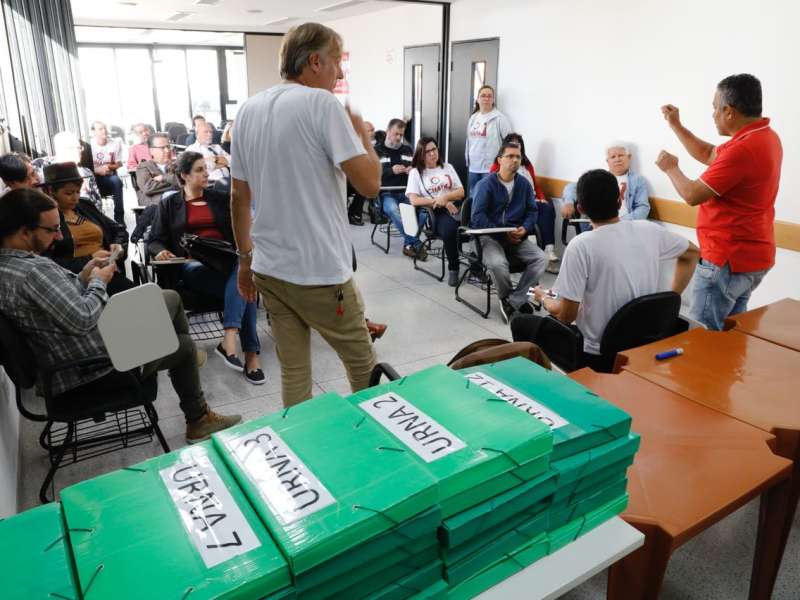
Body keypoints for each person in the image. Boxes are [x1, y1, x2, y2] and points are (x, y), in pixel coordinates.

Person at [0, 188, 241, 443]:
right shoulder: (33, 272)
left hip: (75, 356)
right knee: (183, 346)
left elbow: (54, 303)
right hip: (94, 366)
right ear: (24, 232)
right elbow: (82, 319)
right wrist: (98, 282)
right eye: (52, 230)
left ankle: (185, 381)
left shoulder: (11, 266)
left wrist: (84, 275)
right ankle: (197, 416)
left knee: (168, 298)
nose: (60, 236)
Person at [230, 22, 381, 407]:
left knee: (295, 373)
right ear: (315, 61)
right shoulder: (322, 104)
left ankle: (302, 447)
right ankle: (382, 446)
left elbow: (238, 197)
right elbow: (370, 185)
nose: (340, 73)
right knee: (364, 367)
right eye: (336, 62)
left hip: (270, 267)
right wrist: (363, 135)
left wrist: (244, 261)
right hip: (319, 271)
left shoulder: (248, 109)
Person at [515, 169, 699, 369]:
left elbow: (566, 316)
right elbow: (692, 253)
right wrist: (672, 296)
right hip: (644, 342)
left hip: (598, 354)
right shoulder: (649, 230)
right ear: (619, 201)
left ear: (581, 208)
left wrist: (543, 298)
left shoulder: (581, 245)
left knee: (521, 324)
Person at [656, 74, 782, 330]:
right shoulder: (765, 136)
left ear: (729, 112)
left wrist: (671, 168)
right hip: (753, 257)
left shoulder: (742, 150)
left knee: (704, 338)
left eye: (715, 107)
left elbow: (692, 194)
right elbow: (707, 154)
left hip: (726, 259)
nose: (713, 114)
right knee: (730, 334)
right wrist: (676, 125)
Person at [149, 151, 265, 385]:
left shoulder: (220, 198)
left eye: (206, 168)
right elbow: (155, 239)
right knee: (246, 283)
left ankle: (230, 339)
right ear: (184, 175)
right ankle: (250, 355)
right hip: (193, 265)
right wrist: (159, 250)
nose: (206, 173)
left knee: (244, 276)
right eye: (199, 170)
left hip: (227, 261)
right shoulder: (170, 204)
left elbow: (241, 229)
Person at [470, 141, 546, 323]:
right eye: (510, 156)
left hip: (517, 237)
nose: (514, 160)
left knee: (541, 258)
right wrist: (503, 234)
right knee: (497, 263)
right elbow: (477, 217)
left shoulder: (524, 185)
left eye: (518, 157)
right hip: (489, 237)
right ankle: (514, 299)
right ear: (500, 160)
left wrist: (525, 228)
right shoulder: (486, 185)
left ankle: (512, 300)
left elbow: (532, 211)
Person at [40, 162, 134, 296]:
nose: (75, 197)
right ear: (51, 191)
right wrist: (89, 259)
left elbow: (118, 230)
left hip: (109, 272)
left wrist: (118, 245)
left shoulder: (85, 206)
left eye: (78, 191)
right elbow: (49, 262)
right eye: (68, 193)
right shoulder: (47, 220)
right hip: (77, 283)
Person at [489, 133, 558, 264]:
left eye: (518, 145)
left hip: (533, 199)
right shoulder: (497, 167)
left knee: (548, 206)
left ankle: (548, 248)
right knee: (541, 210)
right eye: (512, 144)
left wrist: (541, 197)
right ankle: (541, 250)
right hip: (515, 204)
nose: (516, 147)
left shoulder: (527, 164)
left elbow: (535, 186)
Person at [405, 137, 464, 286]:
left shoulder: (447, 167)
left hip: (456, 206)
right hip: (435, 212)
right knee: (451, 231)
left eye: (434, 149)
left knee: (475, 226)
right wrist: (441, 202)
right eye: (427, 151)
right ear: (421, 154)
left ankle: (477, 268)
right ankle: (454, 268)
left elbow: (461, 191)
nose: (432, 154)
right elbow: (414, 200)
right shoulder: (416, 173)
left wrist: (446, 198)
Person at [562, 142, 651, 231]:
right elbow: (572, 187)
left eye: (621, 155)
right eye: (613, 157)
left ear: (629, 157)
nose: (617, 159)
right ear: (607, 161)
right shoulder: (600, 178)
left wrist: (619, 222)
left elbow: (643, 208)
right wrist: (569, 203)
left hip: (624, 227)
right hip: (595, 225)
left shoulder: (638, 180)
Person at [376, 118, 426, 259]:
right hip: (386, 193)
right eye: (396, 134)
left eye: (401, 135)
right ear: (388, 131)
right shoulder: (376, 151)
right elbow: (373, 174)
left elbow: (418, 171)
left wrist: (413, 170)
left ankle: (409, 244)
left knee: (422, 213)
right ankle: (415, 242)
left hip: (406, 193)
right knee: (393, 209)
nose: (398, 138)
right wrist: (391, 170)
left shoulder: (408, 150)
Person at [33, 132, 103, 209]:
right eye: (74, 148)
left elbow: (97, 202)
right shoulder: (41, 167)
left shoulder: (86, 172)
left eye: (79, 147)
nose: (80, 151)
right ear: (60, 150)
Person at [466, 84, 512, 197]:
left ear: (493, 100)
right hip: (473, 168)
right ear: (478, 99)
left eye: (489, 96)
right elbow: (469, 141)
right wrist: (467, 160)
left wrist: (503, 163)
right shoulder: (473, 118)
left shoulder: (500, 118)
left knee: (488, 198)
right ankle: (473, 215)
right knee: (473, 197)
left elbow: (510, 143)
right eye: (483, 96)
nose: (486, 98)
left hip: (490, 168)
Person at [90, 121, 126, 224]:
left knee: (116, 181)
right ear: (93, 132)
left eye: (105, 128)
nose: (104, 131)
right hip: (93, 176)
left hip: (109, 175)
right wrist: (97, 170)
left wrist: (108, 166)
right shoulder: (89, 146)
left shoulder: (115, 143)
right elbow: (85, 167)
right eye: (100, 129)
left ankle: (119, 218)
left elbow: (119, 163)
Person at [135, 133, 180, 207]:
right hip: (155, 206)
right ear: (151, 150)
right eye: (162, 148)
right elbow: (148, 188)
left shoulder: (177, 165)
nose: (167, 150)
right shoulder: (144, 167)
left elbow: (187, 181)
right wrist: (175, 182)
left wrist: (163, 178)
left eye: (168, 147)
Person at [347, 120, 376, 226]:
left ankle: (355, 213)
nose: (373, 133)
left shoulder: (373, 145)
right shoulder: (352, 145)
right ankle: (354, 214)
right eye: (370, 130)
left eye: (373, 130)